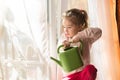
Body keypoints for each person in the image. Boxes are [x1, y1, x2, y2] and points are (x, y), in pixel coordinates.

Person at [58, 8, 102, 80]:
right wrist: (65, 46)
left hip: (83, 74)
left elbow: (98, 32)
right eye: (64, 27)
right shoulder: (64, 38)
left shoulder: (86, 38)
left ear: (80, 26)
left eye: (69, 27)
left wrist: (78, 36)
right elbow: (60, 53)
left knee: (91, 69)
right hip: (70, 76)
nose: (65, 30)